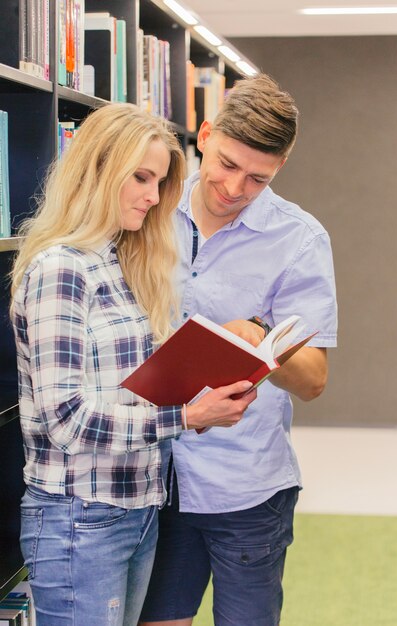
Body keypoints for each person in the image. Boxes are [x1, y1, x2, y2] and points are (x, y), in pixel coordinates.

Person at [9, 102, 257, 626]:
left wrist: (209, 363)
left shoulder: (118, 260)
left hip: (138, 507)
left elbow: (131, 386)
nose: (153, 196)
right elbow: (66, 418)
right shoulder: (61, 269)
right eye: (140, 178)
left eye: (160, 181)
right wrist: (188, 418)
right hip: (80, 517)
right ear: (96, 171)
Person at [139, 74, 338, 626]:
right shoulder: (147, 206)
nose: (233, 188)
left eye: (257, 178)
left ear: (279, 171)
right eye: (226, 164)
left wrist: (260, 342)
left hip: (245, 486)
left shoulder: (299, 239)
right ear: (204, 135)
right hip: (152, 473)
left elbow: (314, 379)